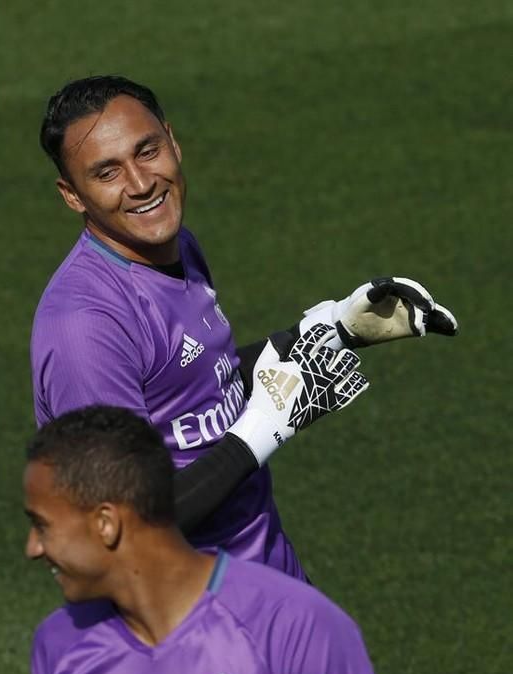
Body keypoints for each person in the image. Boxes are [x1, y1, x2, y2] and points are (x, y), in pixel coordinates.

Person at [31, 75, 457, 579]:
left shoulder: (177, 248)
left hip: (271, 585)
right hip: (186, 629)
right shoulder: (85, 327)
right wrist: (261, 431)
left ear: (173, 141)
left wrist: (333, 331)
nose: (141, 183)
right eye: (107, 172)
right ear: (72, 195)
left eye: (147, 151)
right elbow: (126, 527)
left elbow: (203, 385)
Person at [24, 406, 382, 674]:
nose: (32, 548)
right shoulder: (58, 645)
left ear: (106, 523)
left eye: (42, 526)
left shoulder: (293, 626)